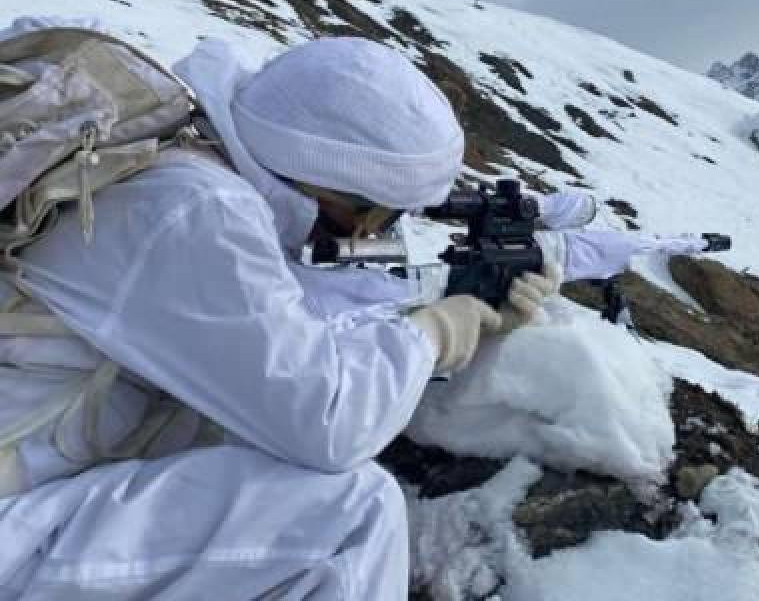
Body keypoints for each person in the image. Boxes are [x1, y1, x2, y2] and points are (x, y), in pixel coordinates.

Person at [0, 32, 561, 599]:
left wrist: (455, 312)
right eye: (374, 215)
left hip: (45, 487)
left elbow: (280, 337)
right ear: (329, 177)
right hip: (17, 518)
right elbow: (327, 421)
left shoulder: (182, 167)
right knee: (348, 517)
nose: (371, 236)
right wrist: (436, 331)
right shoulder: (196, 207)